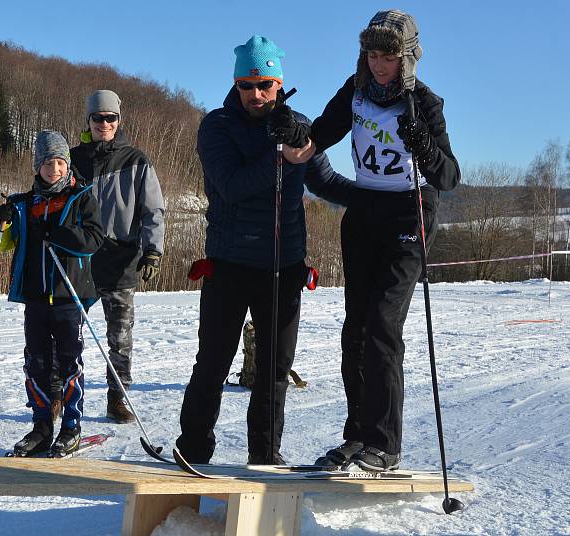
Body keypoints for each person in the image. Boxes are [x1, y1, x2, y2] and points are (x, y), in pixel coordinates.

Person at [273, 10, 461, 471]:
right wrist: (288, 133)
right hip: (364, 212)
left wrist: (424, 146)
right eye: (372, 54)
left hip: (409, 213)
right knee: (355, 330)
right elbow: (311, 142)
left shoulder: (425, 103)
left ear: (408, 57)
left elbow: (449, 176)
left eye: (389, 56)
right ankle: (357, 437)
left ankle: (386, 444)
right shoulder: (354, 91)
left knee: (382, 325)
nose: (379, 65)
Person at [175, 35, 353, 465]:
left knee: (274, 372)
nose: (256, 95)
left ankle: (265, 456)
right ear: (235, 86)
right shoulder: (216, 126)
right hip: (229, 265)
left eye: (266, 85)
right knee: (213, 364)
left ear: (279, 84)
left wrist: (383, 199)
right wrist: (279, 152)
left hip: (284, 268)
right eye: (246, 86)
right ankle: (194, 451)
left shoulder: (298, 125)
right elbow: (231, 186)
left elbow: (324, 182)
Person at [0, 130, 104, 456]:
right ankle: (42, 426)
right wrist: (2, 222)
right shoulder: (24, 204)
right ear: (37, 166)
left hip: (69, 296)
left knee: (70, 362)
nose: (53, 169)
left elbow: (93, 240)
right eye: (47, 163)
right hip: (36, 296)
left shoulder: (82, 197)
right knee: (37, 362)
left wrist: (57, 233)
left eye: (59, 162)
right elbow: (3, 243)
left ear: (67, 164)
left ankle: (72, 427)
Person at [70, 90, 166, 423]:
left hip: (121, 259)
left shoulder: (136, 160)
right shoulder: (72, 160)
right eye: (98, 118)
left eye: (111, 118)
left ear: (119, 120)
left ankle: (118, 399)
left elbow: (153, 209)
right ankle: (61, 396)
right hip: (79, 262)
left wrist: (153, 250)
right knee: (66, 334)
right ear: (89, 120)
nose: (104, 123)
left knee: (120, 338)